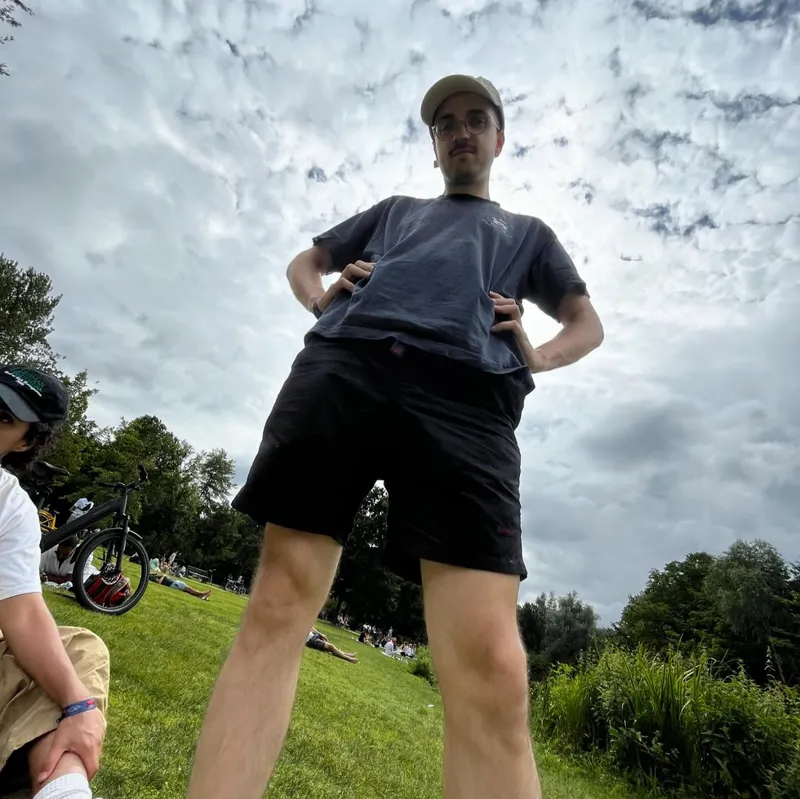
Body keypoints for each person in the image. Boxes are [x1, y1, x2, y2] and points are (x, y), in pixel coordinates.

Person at [187, 74, 603, 799]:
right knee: (280, 598)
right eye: (446, 124)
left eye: (476, 119)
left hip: (468, 401)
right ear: (435, 146)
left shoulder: (528, 234)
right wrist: (320, 296)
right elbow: (303, 262)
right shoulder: (395, 212)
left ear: (499, 139)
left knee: (491, 665)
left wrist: (536, 356)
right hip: (347, 367)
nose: (461, 131)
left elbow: (586, 324)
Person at [0, 365, 109, 799]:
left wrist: (79, 706)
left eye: (4, 418)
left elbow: (21, 611)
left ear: (23, 442)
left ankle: (63, 790)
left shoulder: (11, 506)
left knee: (81, 651)